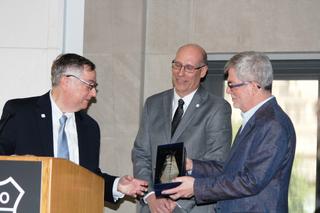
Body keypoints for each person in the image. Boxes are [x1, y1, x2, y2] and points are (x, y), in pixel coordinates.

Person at [0, 53, 148, 204]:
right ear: (66, 81)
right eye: (90, 85)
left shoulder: (90, 128)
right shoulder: (21, 113)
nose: (94, 93)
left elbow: (89, 177)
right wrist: (20, 163)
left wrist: (118, 185)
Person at [162, 51, 296, 213]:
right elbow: (231, 171)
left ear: (254, 86)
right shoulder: (258, 120)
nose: (228, 91)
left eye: (232, 85)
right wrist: (191, 166)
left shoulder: (273, 124)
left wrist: (197, 187)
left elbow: (250, 181)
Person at [132, 44, 232, 213]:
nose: (180, 73)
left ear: (203, 71)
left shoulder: (217, 108)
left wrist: (178, 205)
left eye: (189, 68)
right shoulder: (153, 104)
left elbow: (218, 164)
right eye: (177, 65)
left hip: (193, 208)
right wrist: (150, 196)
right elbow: (141, 153)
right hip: (152, 207)